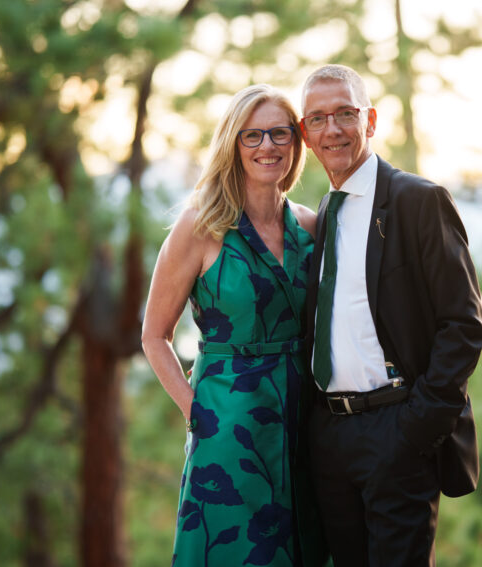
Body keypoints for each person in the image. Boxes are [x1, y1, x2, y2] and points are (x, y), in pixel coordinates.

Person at [300, 64, 482, 566]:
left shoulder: (417, 201)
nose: (333, 129)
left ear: (371, 120)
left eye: (345, 113)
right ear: (305, 134)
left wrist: (418, 426)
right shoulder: (324, 212)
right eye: (318, 119)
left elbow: (464, 325)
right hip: (330, 438)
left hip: (397, 432)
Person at [141, 84, 322, 566]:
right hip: (229, 426)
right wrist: (195, 411)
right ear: (233, 144)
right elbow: (153, 335)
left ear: (295, 144)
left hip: (306, 419)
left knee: (307, 546)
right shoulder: (201, 225)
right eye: (253, 136)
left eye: (280, 134)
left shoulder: (309, 226)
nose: (268, 146)